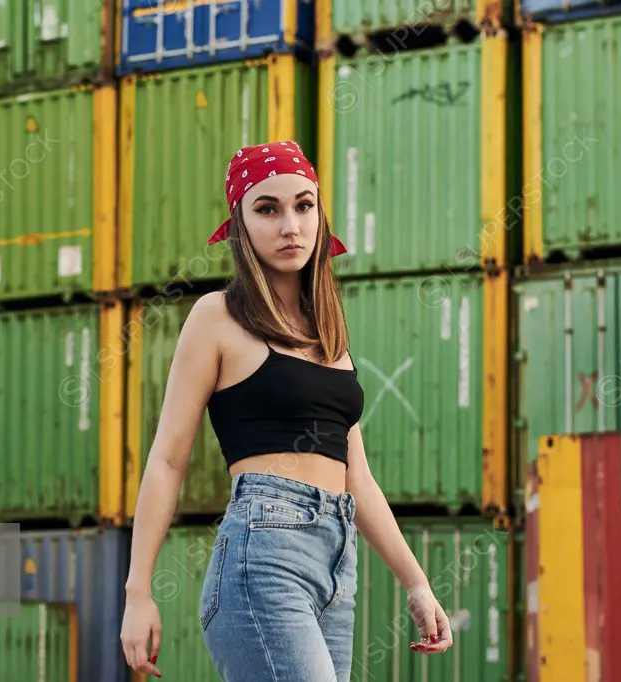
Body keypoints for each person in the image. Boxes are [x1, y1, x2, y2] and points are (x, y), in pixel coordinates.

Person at [120, 141, 453, 681]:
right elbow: (167, 461)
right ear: (240, 225)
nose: (290, 225)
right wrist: (138, 592)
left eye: (304, 205)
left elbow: (358, 479)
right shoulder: (217, 317)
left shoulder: (329, 332)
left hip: (336, 565)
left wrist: (417, 583)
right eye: (267, 209)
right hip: (263, 554)